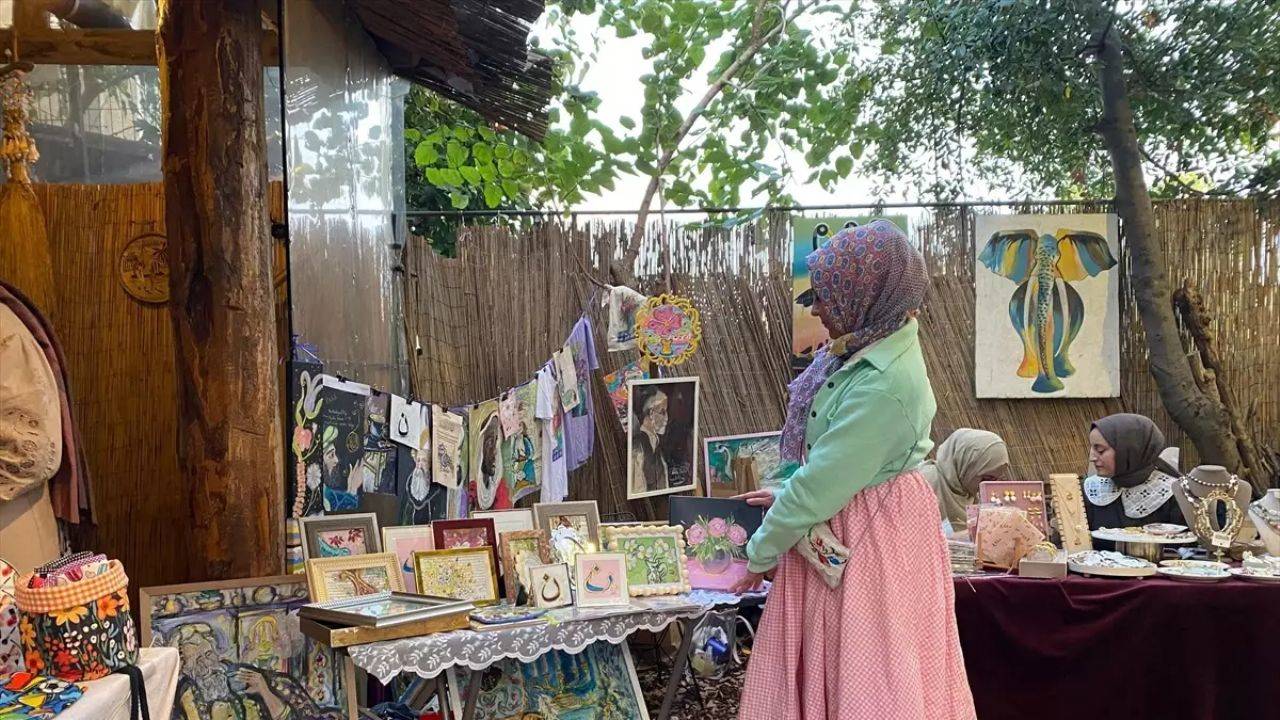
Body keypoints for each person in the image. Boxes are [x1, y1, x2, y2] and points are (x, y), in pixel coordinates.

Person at [732, 220, 975, 719]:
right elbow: (827, 460)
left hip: (871, 541)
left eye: (825, 296)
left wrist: (758, 556)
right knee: (847, 661)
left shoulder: (884, 383)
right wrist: (784, 491)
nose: (817, 309)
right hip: (850, 520)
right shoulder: (861, 350)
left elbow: (824, 483)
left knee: (870, 671)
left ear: (865, 294)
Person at [1084, 413, 1182, 531]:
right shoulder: (1090, 491)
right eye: (1093, 449)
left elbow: (1187, 547)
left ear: (1130, 450)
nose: (1092, 458)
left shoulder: (1174, 495)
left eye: (1100, 450)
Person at [920, 428, 1013, 536]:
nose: (985, 486)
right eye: (985, 478)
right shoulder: (924, 484)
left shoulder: (966, 491)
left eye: (995, 480)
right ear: (966, 466)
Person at [630, 386, 670, 494]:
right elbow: (637, 490)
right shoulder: (637, 446)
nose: (666, 418)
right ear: (651, 413)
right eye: (662, 412)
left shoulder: (656, 445)